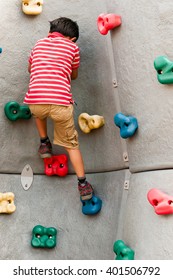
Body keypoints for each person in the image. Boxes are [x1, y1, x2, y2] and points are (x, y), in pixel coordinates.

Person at [24, 17, 94, 201]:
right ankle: (83, 184)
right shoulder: (73, 48)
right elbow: (74, 75)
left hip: (36, 100)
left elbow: (30, 68)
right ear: (72, 39)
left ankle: (44, 142)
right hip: (61, 103)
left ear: (50, 33)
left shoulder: (39, 44)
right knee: (72, 145)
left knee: (38, 111)